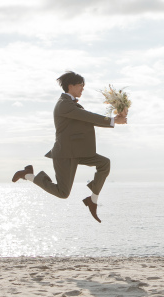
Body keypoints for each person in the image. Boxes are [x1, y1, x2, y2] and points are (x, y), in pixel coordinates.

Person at [12, 71, 127, 223]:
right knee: (63, 193)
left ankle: (92, 199)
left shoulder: (72, 104)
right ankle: (28, 175)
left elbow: (87, 120)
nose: (83, 89)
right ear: (71, 86)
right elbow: (88, 117)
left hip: (78, 152)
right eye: (81, 85)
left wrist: (118, 115)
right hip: (65, 154)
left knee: (104, 163)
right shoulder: (63, 105)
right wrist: (113, 121)